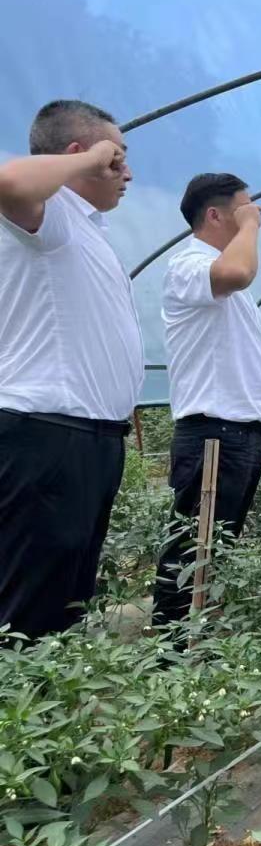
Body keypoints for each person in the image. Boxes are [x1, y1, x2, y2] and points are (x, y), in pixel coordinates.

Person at [0, 99, 143, 639]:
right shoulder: (50, 213)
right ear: (79, 153)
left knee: (68, 600)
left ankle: (50, 689)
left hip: (90, 442)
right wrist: (91, 159)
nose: (127, 172)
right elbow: (10, 180)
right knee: (30, 613)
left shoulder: (86, 229)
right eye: (117, 157)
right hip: (48, 436)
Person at [152, 174, 261, 627]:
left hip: (239, 435)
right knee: (191, 554)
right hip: (213, 435)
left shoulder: (220, 274)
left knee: (216, 550)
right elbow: (238, 273)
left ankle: (199, 640)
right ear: (214, 214)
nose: (256, 215)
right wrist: (251, 225)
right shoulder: (189, 265)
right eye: (246, 207)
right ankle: (171, 649)